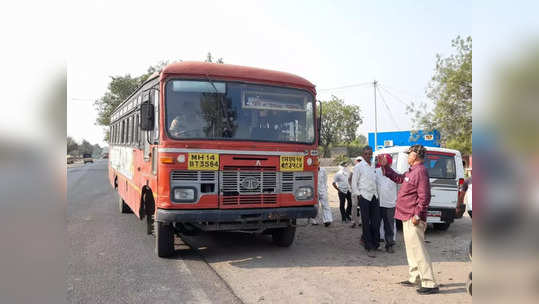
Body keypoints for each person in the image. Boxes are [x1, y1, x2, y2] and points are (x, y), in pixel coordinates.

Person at [380, 144, 439, 294]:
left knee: (419, 250)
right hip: (406, 215)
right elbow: (399, 178)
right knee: (411, 250)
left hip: (413, 217)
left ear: (417, 156)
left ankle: (429, 282)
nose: (408, 156)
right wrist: (386, 168)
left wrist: (418, 215)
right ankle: (415, 277)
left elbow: (424, 196)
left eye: (410, 154)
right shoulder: (412, 171)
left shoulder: (421, 171)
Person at [351, 146, 380, 257]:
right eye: (366, 154)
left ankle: (375, 243)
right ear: (363, 155)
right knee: (366, 222)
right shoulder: (358, 167)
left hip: (374, 196)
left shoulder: (374, 165)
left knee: (376, 221)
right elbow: (354, 183)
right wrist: (358, 195)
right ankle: (368, 245)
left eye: (370, 153)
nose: (368, 155)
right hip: (364, 196)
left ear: (372, 154)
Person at [375, 154, 397, 253]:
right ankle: (376, 244)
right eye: (382, 162)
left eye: (386, 162)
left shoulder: (395, 173)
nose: (384, 164)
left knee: (389, 226)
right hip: (378, 203)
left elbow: (400, 188)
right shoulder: (376, 172)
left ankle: (389, 245)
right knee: (376, 224)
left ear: (390, 163)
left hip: (390, 204)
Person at [348, 156, 363, 228]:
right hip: (355, 191)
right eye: (358, 160)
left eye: (360, 160)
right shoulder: (353, 169)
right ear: (356, 161)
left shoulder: (364, 169)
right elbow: (349, 179)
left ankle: (361, 221)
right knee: (354, 206)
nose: (359, 162)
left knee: (362, 206)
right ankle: (353, 221)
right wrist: (352, 187)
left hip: (362, 191)